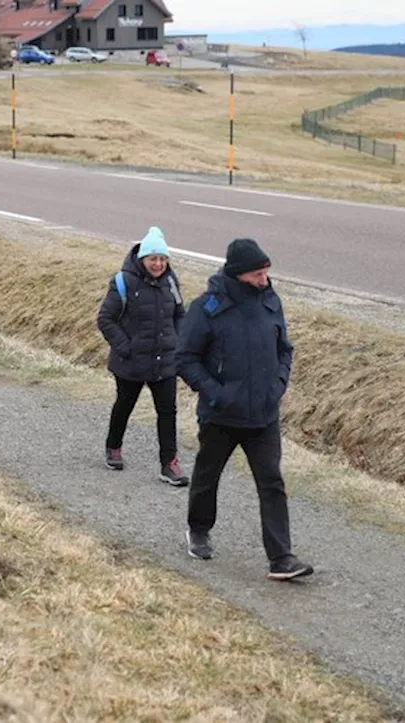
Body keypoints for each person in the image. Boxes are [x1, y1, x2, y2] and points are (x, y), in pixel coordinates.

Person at [175, 238, 313, 581]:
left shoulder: (270, 300)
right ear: (237, 275)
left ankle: (282, 558)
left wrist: (277, 386)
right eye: (257, 274)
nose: (264, 279)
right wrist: (216, 395)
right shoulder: (207, 307)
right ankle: (199, 530)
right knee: (208, 477)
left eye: (266, 272)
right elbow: (185, 358)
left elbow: (285, 349)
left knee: (272, 482)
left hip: (263, 414)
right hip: (221, 414)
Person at [96, 226, 189, 486]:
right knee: (124, 405)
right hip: (131, 362)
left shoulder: (171, 282)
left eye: (163, 259)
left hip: (165, 361)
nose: (158, 264)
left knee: (167, 412)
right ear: (142, 259)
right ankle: (113, 446)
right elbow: (105, 319)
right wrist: (126, 347)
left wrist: (179, 343)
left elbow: (180, 314)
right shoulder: (123, 282)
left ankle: (169, 464)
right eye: (153, 259)